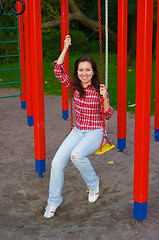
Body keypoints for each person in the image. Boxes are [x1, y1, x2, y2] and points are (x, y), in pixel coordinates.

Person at [44, 35, 113, 218]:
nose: (84, 73)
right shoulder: (74, 86)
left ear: (93, 71)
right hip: (78, 131)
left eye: (87, 70)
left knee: (76, 156)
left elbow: (107, 114)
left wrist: (105, 97)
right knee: (57, 163)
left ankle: (93, 185)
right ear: (77, 71)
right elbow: (58, 71)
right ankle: (53, 201)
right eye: (81, 70)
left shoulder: (99, 89)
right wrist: (65, 48)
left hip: (95, 132)